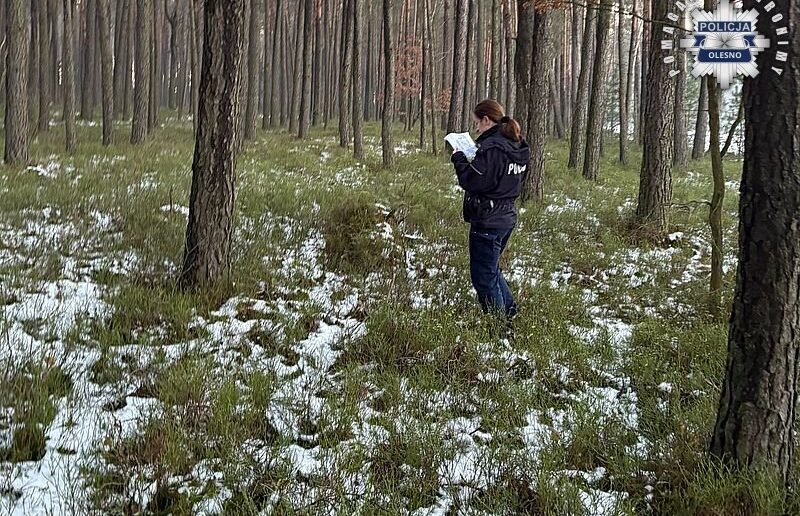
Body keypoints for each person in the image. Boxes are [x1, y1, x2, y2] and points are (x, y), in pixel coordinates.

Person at [450, 99, 531, 321]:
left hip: (489, 219)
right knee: (492, 269)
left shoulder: (493, 148)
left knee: (483, 276)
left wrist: (458, 158)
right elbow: (496, 177)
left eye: (477, 122)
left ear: (487, 120)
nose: (476, 128)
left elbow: (473, 181)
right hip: (506, 216)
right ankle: (510, 312)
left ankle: (498, 325)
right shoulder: (514, 144)